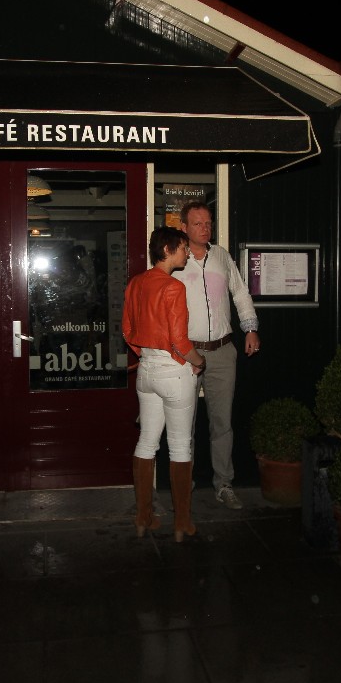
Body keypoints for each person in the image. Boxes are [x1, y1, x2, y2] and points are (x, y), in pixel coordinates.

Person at [173, 201, 261, 510]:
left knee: (222, 423)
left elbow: (240, 292)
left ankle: (224, 484)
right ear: (183, 227)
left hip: (222, 351)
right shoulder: (175, 260)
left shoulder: (222, 256)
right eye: (198, 223)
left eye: (208, 223)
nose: (205, 228)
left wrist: (250, 328)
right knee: (184, 423)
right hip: (186, 353)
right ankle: (184, 486)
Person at [123, 227, 206, 543]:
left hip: (146, 371)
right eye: (183, 247)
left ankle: (142, 517)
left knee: (146, 442)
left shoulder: (135, 283)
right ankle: (181, 523)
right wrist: (199, 361)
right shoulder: (174, 287)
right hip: (174, 373)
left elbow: (127, 330)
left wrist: (146, 354)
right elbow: (180, 341)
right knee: (181, 445)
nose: (187, 252)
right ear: (168, 249)